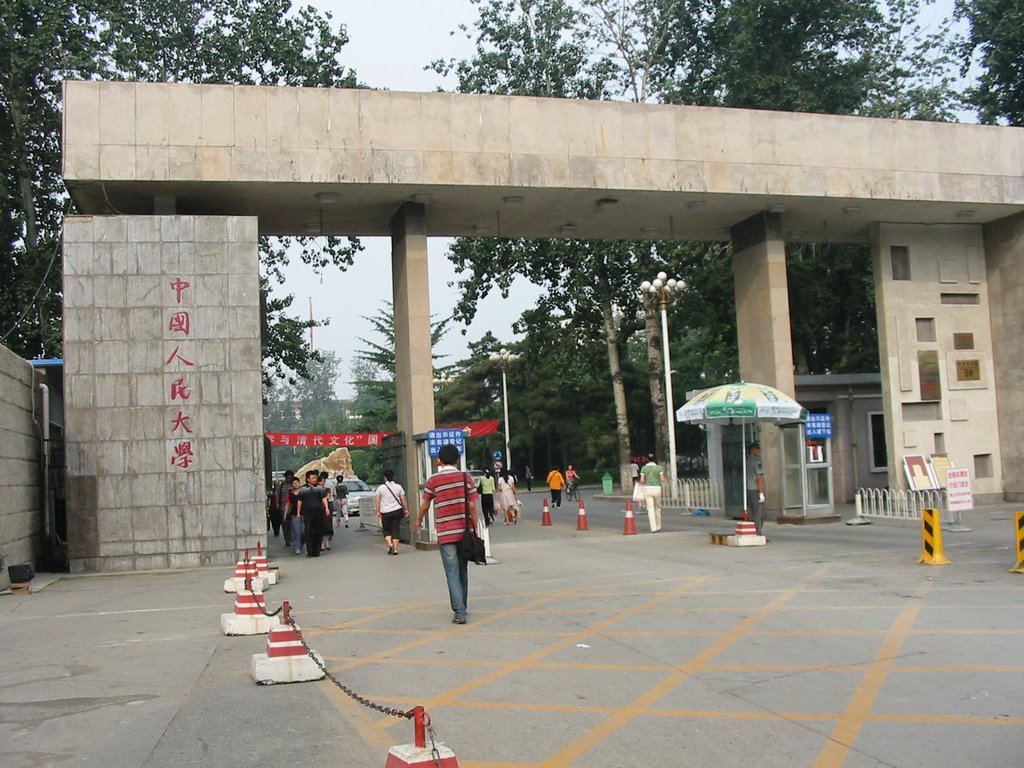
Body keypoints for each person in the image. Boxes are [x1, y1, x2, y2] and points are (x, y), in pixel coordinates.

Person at [416, 444, 478, 625]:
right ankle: (462, 607)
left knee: (452, 572)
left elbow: (426, 505)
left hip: (446, 533)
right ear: (457, 459)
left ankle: (459, 612)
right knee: (463, 570)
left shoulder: (433, 480)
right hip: (465, 532)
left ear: (440, 460)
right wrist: (475, 527)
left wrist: (419, 520)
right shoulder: (466, 478)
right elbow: (473, 506)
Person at [375, 469, 409, 555]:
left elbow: (377, 500)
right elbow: (403, 499)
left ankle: (390, 544)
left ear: (385, 477)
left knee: (386, 530)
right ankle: (396, 549)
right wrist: (406, 509)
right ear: (393, 477)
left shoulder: (381, 488)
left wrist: (378, 511)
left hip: (385, 512)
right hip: (397, 510)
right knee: (396, 529)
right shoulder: (398, 487)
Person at [296, 470, 328, 557]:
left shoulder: (319, 488)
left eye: (315, 478)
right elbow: (300, 501)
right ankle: (310, 551)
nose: (314, 479)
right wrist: (298, 513)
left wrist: (327, 508)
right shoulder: (302, 489)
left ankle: (316, 551)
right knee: (308, 531)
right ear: (307, 479)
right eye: (312, 478)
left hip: (318, 512)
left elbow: (323, 498)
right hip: (307, 512)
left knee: (318, 530)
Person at [640, 453, 665, 533]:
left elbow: (642, 480)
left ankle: (653, 528)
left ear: (647, 459)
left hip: (648, 489)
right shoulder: (659, 468)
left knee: (650, 509)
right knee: (658, 508)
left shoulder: (643, 468)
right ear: (654, 459)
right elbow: (662, 479)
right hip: (657, 489)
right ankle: (658, 526)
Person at [746, 442, 766, 536]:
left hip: (749, 489)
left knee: (751, 512)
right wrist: (761, 492)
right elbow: (759, 478)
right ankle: (758, 532)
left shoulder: (747, 460)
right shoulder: (757, 462)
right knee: (759, 513)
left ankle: (751, 531)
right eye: (757, 448)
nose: (759, 450)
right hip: (756, 489)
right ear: (752, 450)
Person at [277, 470, 295, 547]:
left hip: (293, 507)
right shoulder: (281, 486)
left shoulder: (294, 484)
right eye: (288, 477)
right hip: (283, 507)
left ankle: (293, 539)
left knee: (294, 524)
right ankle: (287, 540)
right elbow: (277, 495)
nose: (289, 479)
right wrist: (277, 503)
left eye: (291, 477)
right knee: (285, 525)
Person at [286, 476, 302, 554]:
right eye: (294, 483)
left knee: (304, 531)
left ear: (299, 483)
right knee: (296, 531)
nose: (295, 484)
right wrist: (285, 514)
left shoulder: (303, 492)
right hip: (294, 515)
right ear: (292, 485)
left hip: (304, 514)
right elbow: (288, 504)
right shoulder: (290, 494)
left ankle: (301, 544)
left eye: (297, 483)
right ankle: (297, 547)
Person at [319, 470, 334, 552]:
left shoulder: (327, 489)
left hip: (326, 508)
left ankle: (327, 541)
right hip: (318, 509)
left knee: (327, 525)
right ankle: (321, 543)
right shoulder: (316, 489)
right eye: (321, 481)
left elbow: (328, 497)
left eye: (323, 481)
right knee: (320, 525)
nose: (322, 482)